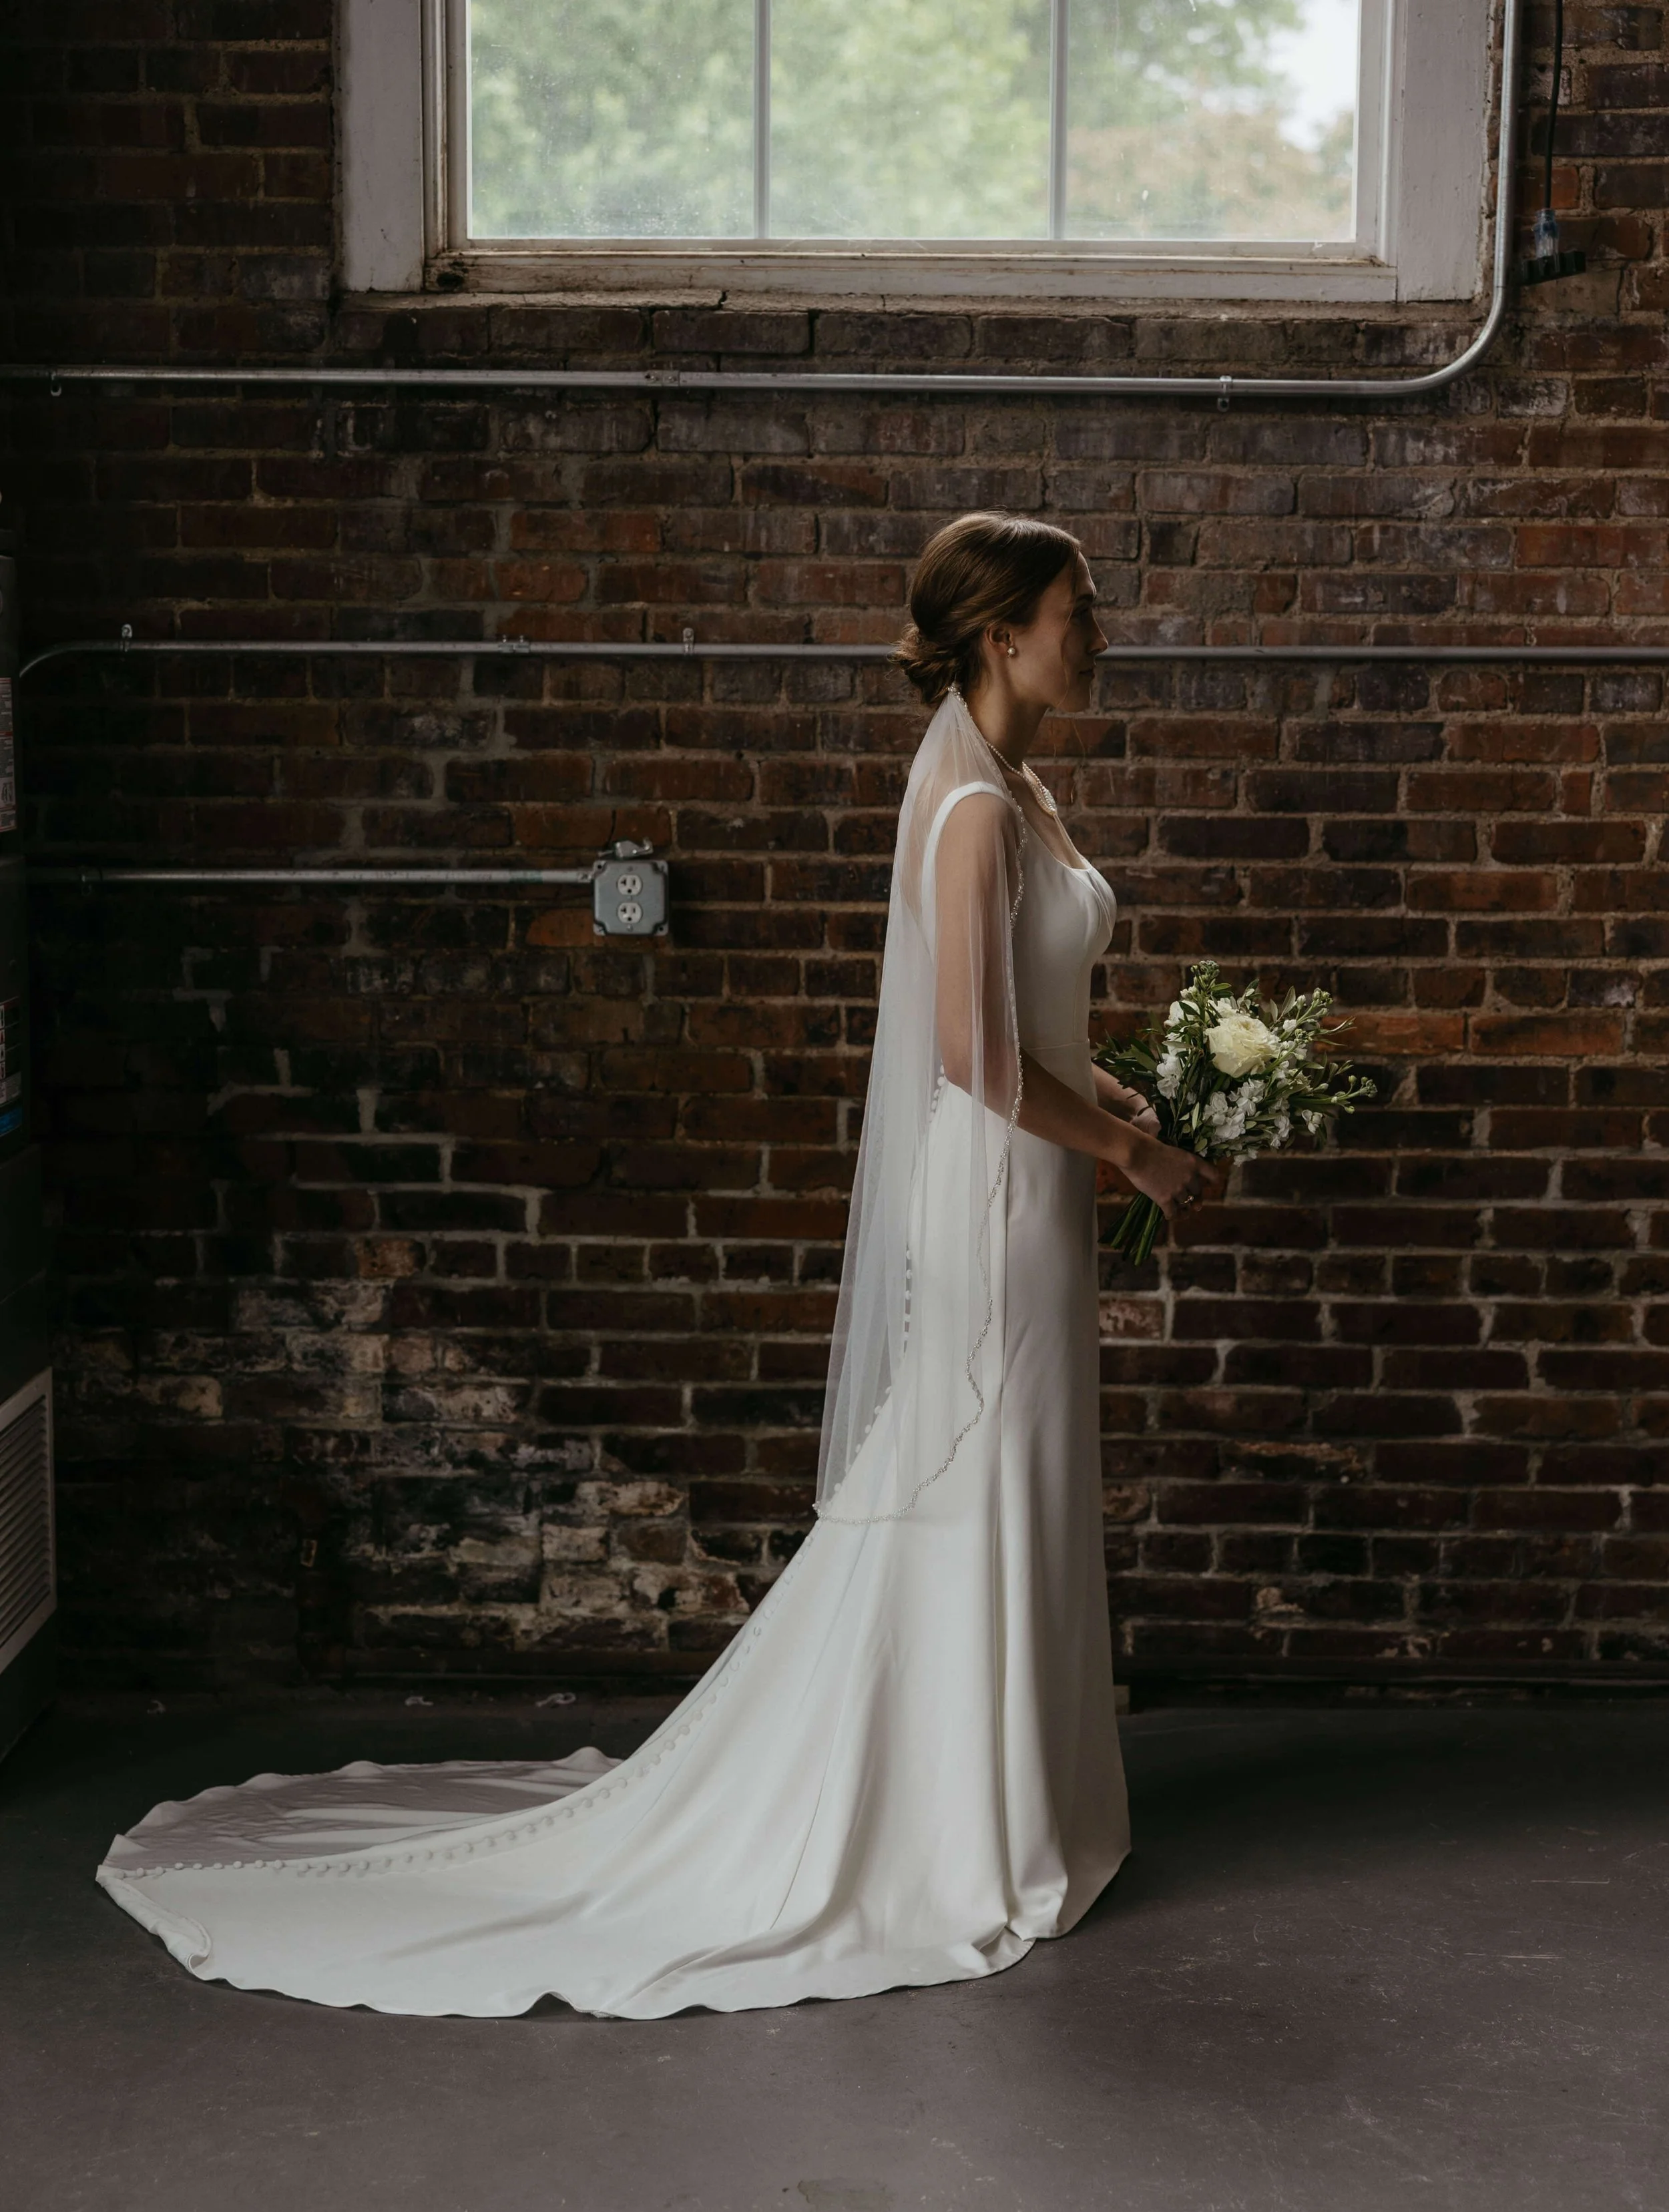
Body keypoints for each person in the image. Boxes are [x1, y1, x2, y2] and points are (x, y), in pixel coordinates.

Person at [96, 512, 1220, 2021]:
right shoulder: (964, 809)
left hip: (1042, 1186)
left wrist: (1118, 1105)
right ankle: (951, 1828)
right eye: (1081, 608)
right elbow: (964, 1057)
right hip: (999, 1207)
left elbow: (1028, 1024)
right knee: (976, 1475)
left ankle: (1006, 1793)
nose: (1103, 631)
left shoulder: (1016, 783)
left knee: (1015, 1480)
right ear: (1004, 631)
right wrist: (1128, 1153)